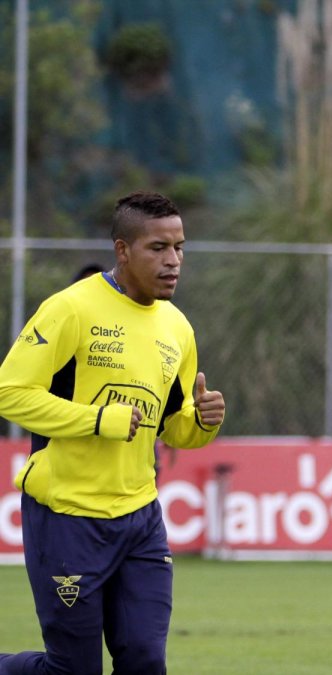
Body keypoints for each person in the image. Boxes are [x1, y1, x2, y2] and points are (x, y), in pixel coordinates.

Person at [0, 192, 226, 674]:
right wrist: (99, 419)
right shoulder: (70, 309)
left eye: (180, 248)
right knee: (72, 669)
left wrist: (202, 422)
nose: (173, 261)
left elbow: (174, 428)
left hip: (139, 518)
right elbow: (9, 394)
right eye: (158, 248)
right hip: (67, 515)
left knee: (145, 660)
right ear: (122, 250)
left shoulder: (178, 328)